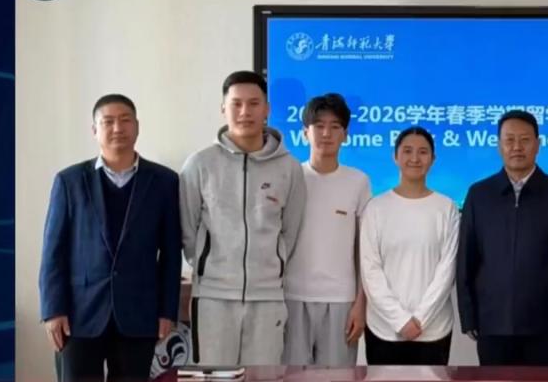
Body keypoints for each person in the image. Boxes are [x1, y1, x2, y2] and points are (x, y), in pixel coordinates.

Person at [39, 93, 181, 382]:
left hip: (139, 314)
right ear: (95, 130)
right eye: (108, 121)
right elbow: (53, 250)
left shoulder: (163, 181)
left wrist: (167, 311)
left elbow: (170, 251)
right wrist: (52, 310)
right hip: (78, 316)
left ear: (137, 127)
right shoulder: (70, 181)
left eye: (125, 120)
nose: (118, 128)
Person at [180, 71, 305, 366]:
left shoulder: (289, 168)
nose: (245, 112)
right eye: (236, 104)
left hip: (268, 298)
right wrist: (208, 266)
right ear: (223, 108)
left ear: (267, 109)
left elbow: (290, 231)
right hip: (213, 297)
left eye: (253, 103)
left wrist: (271, 266)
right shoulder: (200, 164)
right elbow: (188, 230)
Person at [457, 110, 548, 366]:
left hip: (546, 323)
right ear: (498, 145)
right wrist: (468, 316)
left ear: (538, 144)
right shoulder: (479, 195)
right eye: (509, 140)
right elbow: (466, 261)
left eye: (524, 140)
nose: (516, 147)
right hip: (493, 323)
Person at [284, 93, 370, 366]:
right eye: (319, 126)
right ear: (305, 133)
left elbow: (363, 250)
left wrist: (360, 304)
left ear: (345, 134)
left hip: (341, 299)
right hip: (292, 296)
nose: (326, 133)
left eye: (335, 127)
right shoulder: (290, 177)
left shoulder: (358, 181)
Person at [360, 127, 459, 365]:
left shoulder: (446, 207)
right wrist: (400, 320)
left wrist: (420, 318)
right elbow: (370, 269)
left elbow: (447, 270)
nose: (415, 158)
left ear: (433, 159)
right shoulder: (376, 208)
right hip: (384, 329)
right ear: (395, 157)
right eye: (407, 151)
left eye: (423, 152)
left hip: (433, 330)